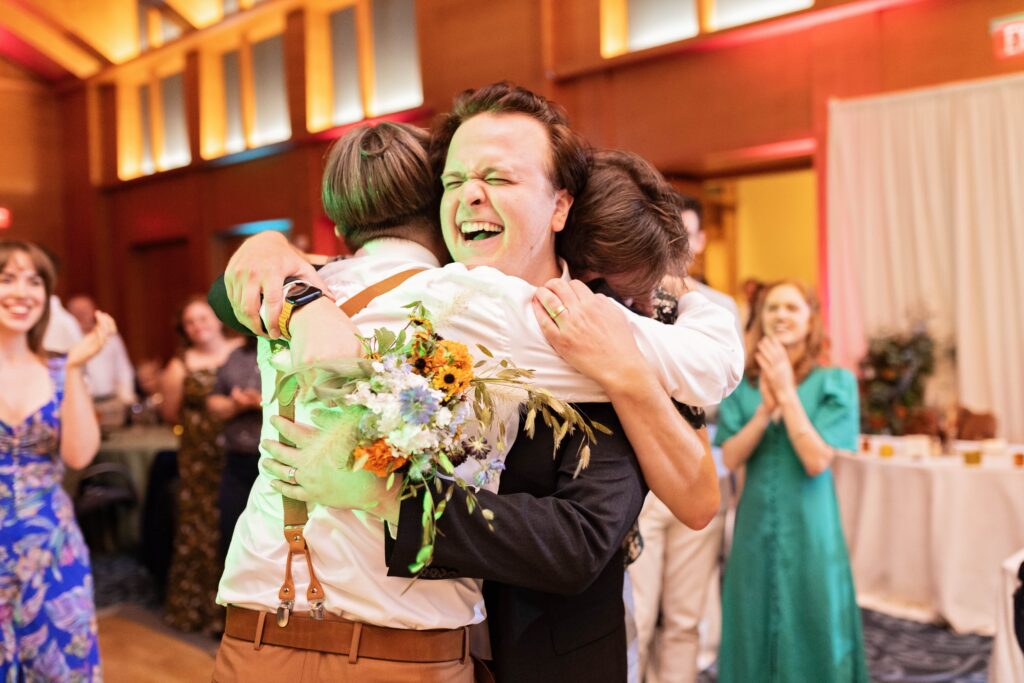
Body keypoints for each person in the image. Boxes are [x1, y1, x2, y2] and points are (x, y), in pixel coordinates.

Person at [213, 86, 739, 681]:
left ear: (560, 205)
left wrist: (392, 497)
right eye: (454, 180)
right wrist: (275, 258)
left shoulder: (603, 331)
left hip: (540, 656)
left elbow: (580, 541)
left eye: (501, 179)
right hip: (402, 646)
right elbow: (244, 293)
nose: (471, 196)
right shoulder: (424, 294)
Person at [714, 280, 868, 682]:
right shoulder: (740, 384)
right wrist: (765, 411)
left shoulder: (836, 382)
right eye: (771, 308)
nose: (780, 315)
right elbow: (729, 457)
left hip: (811, 523)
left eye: (791, 308)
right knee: (752, 617)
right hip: (753, 525)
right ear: (760, 320)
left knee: (815, 613)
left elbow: (817, 459)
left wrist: (786, 392)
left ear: (810, 320)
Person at [627, 195, 741, 683]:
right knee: (640, 609)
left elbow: (726, 395)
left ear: (699, 241)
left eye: (687, 234)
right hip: (644, 477)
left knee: (685, 617)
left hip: (702, 464)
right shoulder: (630, 298)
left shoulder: (718, 308)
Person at [0, 239, 117, 681]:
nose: (23, 292)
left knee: (60, 670)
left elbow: (80, 454)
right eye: (7, 278)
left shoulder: (56, 369)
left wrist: (72, 370)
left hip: (50, 550)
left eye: (35, 281)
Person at [160, 295, 241, 632]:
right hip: (199, 457)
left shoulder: (241, 349)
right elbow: (170, 413)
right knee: (201, 528)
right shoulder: (179, 364)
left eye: (203, 318)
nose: (198, 326)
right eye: (190, 322)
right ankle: (203, 612)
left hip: (242, 451)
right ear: (185, 330)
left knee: (236, 525)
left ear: (217, 318)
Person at [206, 336, 261, 560]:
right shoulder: (237, 355)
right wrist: (236, 405)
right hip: (236, 459)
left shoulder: (295, 349)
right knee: (230, 531)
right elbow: (213, 403)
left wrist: (262, 402)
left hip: (276, 461)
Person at [67, 294, 136, 427]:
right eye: (77, 312)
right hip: (80, 406)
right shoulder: (67, 341)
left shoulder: (110, 337)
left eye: (85, 311)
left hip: (111, 403)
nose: (81, 315)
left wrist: (127, 398)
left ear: (94, 312)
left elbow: (123, 369)